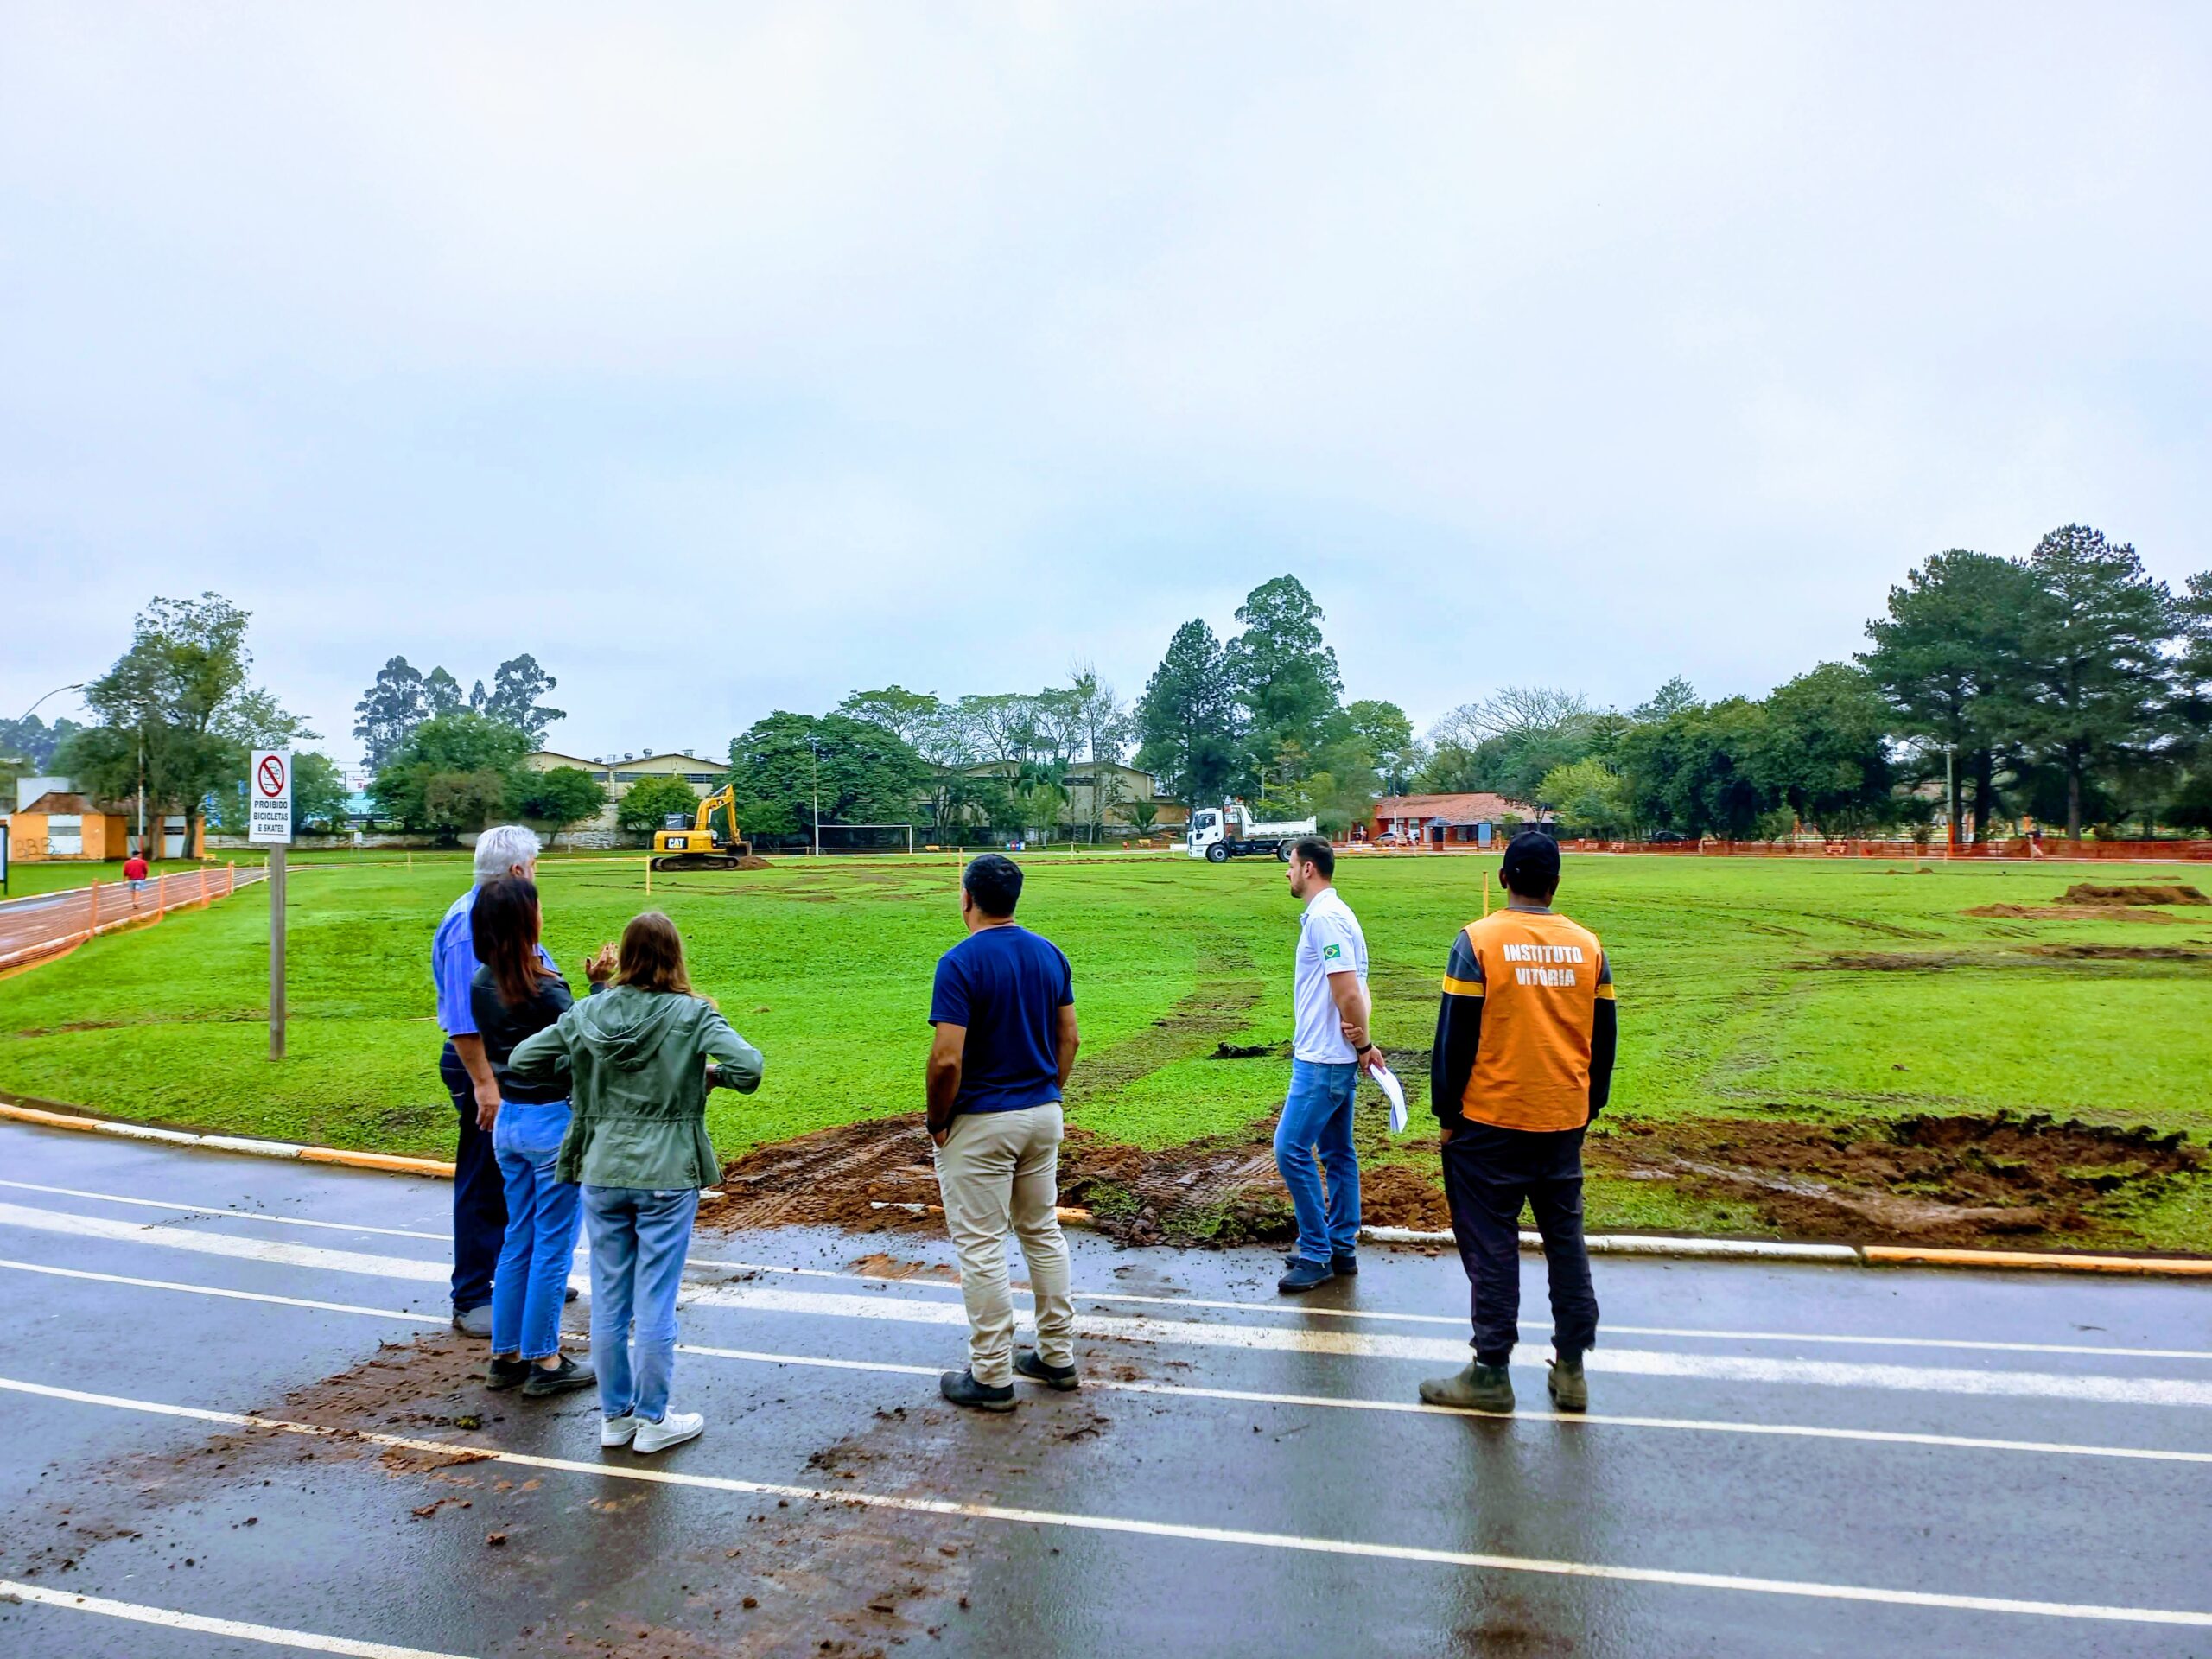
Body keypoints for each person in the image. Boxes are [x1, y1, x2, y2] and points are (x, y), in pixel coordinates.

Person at [509, 911, 763, 1455]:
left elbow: (525, 1060)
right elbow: (750, 1069)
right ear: (676, 956)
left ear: (624, 956)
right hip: (668, 1172)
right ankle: (653, 1418)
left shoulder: (587, 1011)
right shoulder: (693, 1015)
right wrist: (705, 1073)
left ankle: (615, 1417)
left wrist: (577, 1072)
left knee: (610, 1297)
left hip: (602, 1167)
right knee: (655, 1300)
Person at [1420, 831, 1616, 1414]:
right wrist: (1587, 1109)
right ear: (1555, 882)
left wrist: (1447, 1116)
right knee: (1566, 1244)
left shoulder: (1478, 942)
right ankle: (1573, 1370)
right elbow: (1602, 1043)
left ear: (1505, 878)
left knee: (1493, 1247)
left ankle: (1490, 1374)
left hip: (1489, 1122)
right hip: (1562, 1121)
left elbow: (1454, 1039)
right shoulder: (1589, 948)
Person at [925, 853, 1079, 1412]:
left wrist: (937, 1120)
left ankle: (991, 1376)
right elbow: (1070, 1039)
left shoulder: (959, 962)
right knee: (1041, 1231)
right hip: (1044, 1112)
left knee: (983, 1245)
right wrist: (1047, 1089)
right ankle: (1056, 1355)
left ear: (967, 898)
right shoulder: (1050, 954)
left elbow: (946, 1060)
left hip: (983, 1121)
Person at [469, 876, 595, 1399]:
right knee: (553, 1246)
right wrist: (602, 988)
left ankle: (507, 1356)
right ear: (527, 922)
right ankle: (545, 1359)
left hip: (509, 1124)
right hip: (551, 1122)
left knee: (518, 1238)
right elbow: (590, 1043)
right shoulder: (547, 991)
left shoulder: (480, 982)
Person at [433, 824, 556, 1337]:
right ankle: (473, 1295)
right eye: (535, 866)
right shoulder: (470, 926)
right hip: (487, 1066)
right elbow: (464, 1017)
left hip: (512, 1062)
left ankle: (516, 1275)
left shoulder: (500, 916)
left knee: (514, 1178)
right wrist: (485, 1084)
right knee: (484, 1178)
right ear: (518, 870)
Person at [1274, 835, 1382, 1294]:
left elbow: (1348, 991)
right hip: (1332, 1055)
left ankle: (1317, 1253)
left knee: (1290, 1149)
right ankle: (1340, 1247)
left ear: (1310, 869)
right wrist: (1360, 1043)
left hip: (1322, 1059)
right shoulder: (1335, 914)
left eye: (1291, 864)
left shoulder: (1326, 919)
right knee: (1338, 1153)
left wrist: (1362, 1043)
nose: (1287, 872)